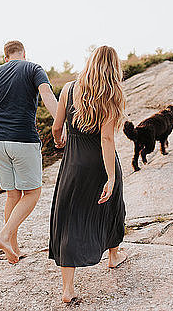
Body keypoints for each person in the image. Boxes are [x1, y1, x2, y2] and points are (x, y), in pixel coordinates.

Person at [49, 45, 127, 303]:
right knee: (112, 205)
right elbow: (106, 138)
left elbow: (57, 127)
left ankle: (68, 288)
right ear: (114, 68)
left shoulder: (69, 89)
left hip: (73, 163)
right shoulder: (112, 95)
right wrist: (111, 176)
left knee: (70, 217)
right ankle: (113, 255)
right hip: (100, 162)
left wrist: (60, 141)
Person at [0, 40, 64, 264]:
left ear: (5, 57)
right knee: (32, 193)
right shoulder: (33, 68)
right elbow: (47, 95)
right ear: (24, 54)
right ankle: (4, 236)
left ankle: (12, 250)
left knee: (12, 194)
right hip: (23, 139)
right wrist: (60, 124)